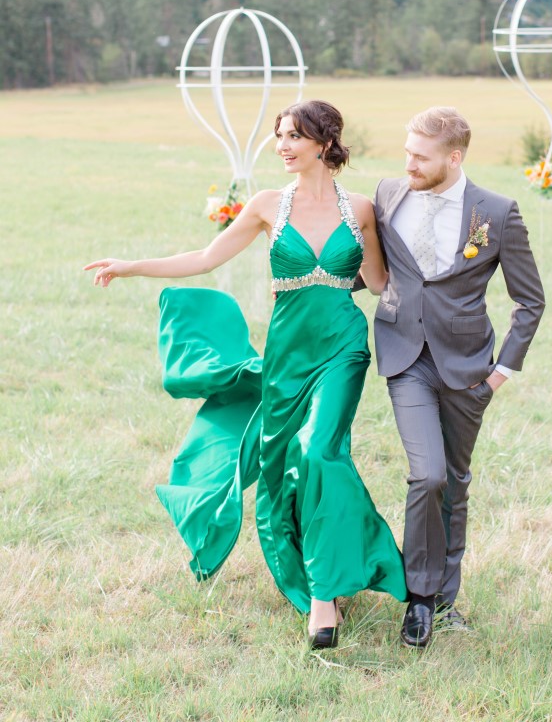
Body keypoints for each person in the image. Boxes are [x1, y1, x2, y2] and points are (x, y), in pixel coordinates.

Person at [85, 99, 407, 649]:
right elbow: (205, 258)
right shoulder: (266, 206)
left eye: (293, 136)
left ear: (325, 142)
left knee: (319, 451)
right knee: (285, 467)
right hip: (287, 356)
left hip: (343, 350)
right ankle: (322, 564)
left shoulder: (361, 208)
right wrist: (131, 266)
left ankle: (325, 595)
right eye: (279, 136)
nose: (282, 146)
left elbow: (379, 283)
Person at [371, 106, 545, 648]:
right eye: (406, 153)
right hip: (406, 358)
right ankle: (419, 600)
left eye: (420, 157)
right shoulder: (387, 195)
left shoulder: (497, 212)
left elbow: (530, 301)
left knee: (455, 483)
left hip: (468, 368)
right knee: (428, 476)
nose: (409, 165)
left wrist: (498, 376)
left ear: (454, 157)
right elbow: (369, 268)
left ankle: (445, 601)